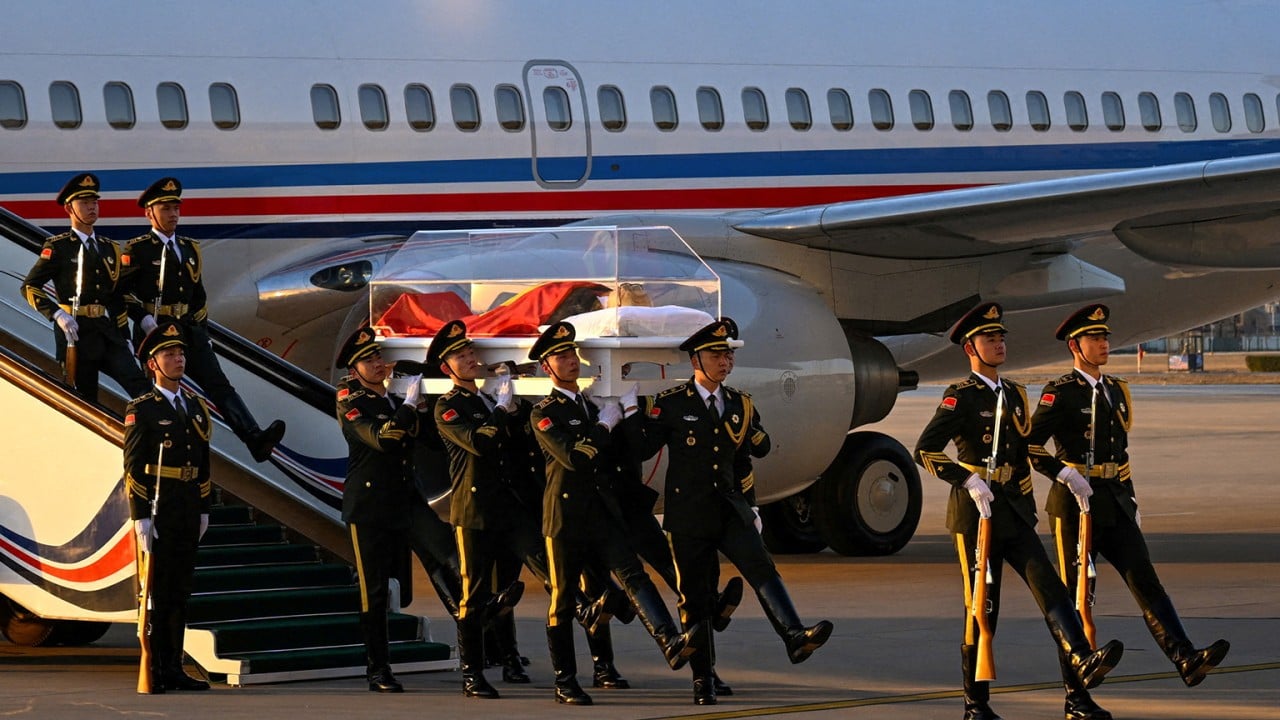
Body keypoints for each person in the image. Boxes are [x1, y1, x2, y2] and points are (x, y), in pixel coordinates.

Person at [913, 302, 1125, 720]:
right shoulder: (961, 397)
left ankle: (1081, 673)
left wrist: (1049, 483)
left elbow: (1023, 452)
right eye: (989, 339)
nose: (999, 344)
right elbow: (924, 450)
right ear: (970, 349)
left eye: (1001, 337)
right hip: (976, 516)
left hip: (1012, 508)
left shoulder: (1015, 394)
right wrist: (966, 480)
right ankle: (977, 705)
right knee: (982, 606)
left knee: (1052, 589)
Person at [1028, 304, 1230, 704]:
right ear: (1075, 345)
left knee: (1144, 578)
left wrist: (1131, 496)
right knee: (1076, 597)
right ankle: (1076, 697)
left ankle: (1185, 656)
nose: (1104, 344)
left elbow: (1120, 452)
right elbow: (1030, 445)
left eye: (1105, 338)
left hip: (1115, 501)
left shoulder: (1117, 390)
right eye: (1095, 339)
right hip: (1075, 505)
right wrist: (1064, 474)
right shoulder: (1061, 392)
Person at [639, 318, 831, 706]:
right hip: (689, 515)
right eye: (716, 354)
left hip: (731, 508)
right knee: (695, 595)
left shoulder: (741, 403)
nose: (725, 361)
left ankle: (794, 635)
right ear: (696, 360)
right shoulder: (672, 404)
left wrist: (753, 505)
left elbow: (748, 456)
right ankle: (703, 679)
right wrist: (626, 415)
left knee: (762, 568)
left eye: (728, 354)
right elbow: (641, 449)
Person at [527, 321, 700, 706]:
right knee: (563, 599)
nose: (569, 361)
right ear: (545, 368)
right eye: (560, 356)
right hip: (565, 518)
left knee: (633, 575)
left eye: (572, 354)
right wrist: (605, 426)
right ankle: (565, 679)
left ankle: (669, 639)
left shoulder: (591, 405)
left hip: (601, 514)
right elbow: (575, 457)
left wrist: (631, 416)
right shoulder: (544, 413)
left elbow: (618, 456)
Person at [429, 320, 555, 700]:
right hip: (474, 512)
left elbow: (520, 441)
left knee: (530, 571)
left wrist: (515, 408)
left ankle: (517, 656)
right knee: (475, 594)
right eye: (459, 356)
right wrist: (502, 409)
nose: (469, 359)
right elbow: (480, 443)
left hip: (508, 506)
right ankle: (473, 673)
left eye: (470, 353)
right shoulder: (447, 406)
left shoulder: (487, 400)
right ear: (445, 367)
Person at [120, 177, 284, 462]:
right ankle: (156, 447)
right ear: (150, 213)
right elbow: (121, 292)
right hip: (155, 330)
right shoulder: (138, 250)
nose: (173, 214)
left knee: (219, 385)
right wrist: (143, 318)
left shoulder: (189, 248)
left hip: (189, 330)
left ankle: (253, 437)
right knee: (157, 394)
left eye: (175, 208)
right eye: (165, 209)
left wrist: (201, 329)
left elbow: (197, 295)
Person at [124, 321, 212, 693]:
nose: (178, 359)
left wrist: (204, 505)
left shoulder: (194, 406)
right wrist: (140, 516)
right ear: (153, 365)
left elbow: (204, 459)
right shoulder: (142, 408)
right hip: (159, 507)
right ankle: (155, 667)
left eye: (180, 354)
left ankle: (174, 666)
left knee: (180, 591)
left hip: (187, 504)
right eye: (169, 355)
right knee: (158, 594)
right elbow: (132, 465)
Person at [21, 172, 150, 402]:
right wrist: (58, 314)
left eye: (94, 202)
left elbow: (115, 297)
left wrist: (125, 337)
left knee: (141, 388)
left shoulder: (108, 248)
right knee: (85, 397)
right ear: (69, 209)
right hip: (76, 333)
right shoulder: (59, 247)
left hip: (107, 331)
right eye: (84, 203)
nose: (92, 208)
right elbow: (30, 287)